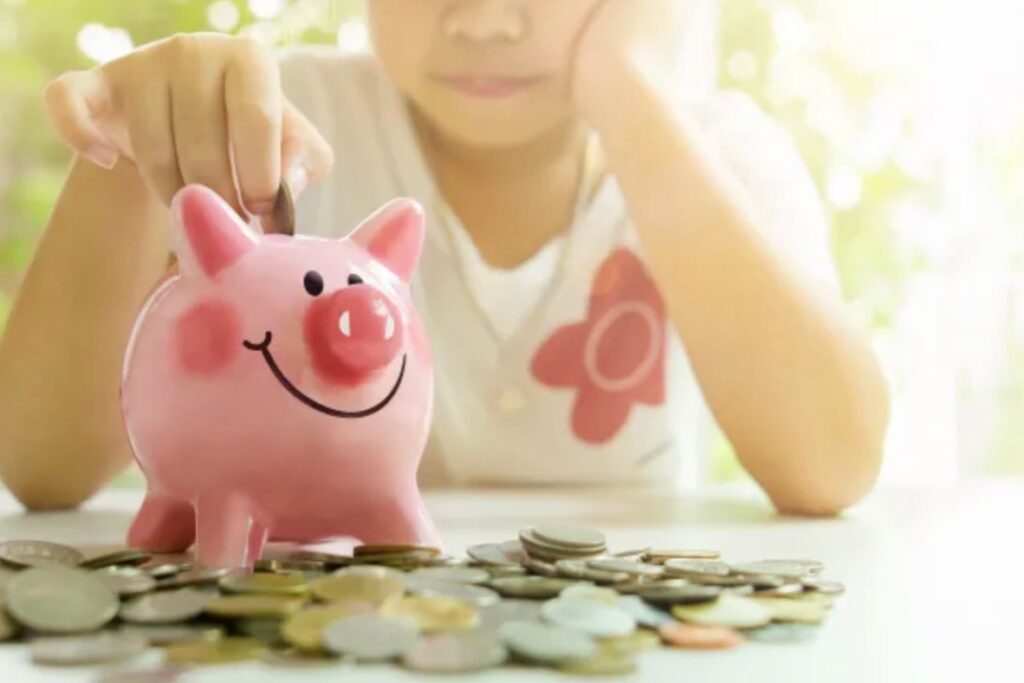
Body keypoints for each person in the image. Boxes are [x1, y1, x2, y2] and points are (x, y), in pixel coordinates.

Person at [0, 0, 889, 515]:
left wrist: (630, 83)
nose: (484, 20)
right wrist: (134, 157)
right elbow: (40, 463)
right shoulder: (278, 126)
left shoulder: (713, 151)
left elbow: (831, 465)